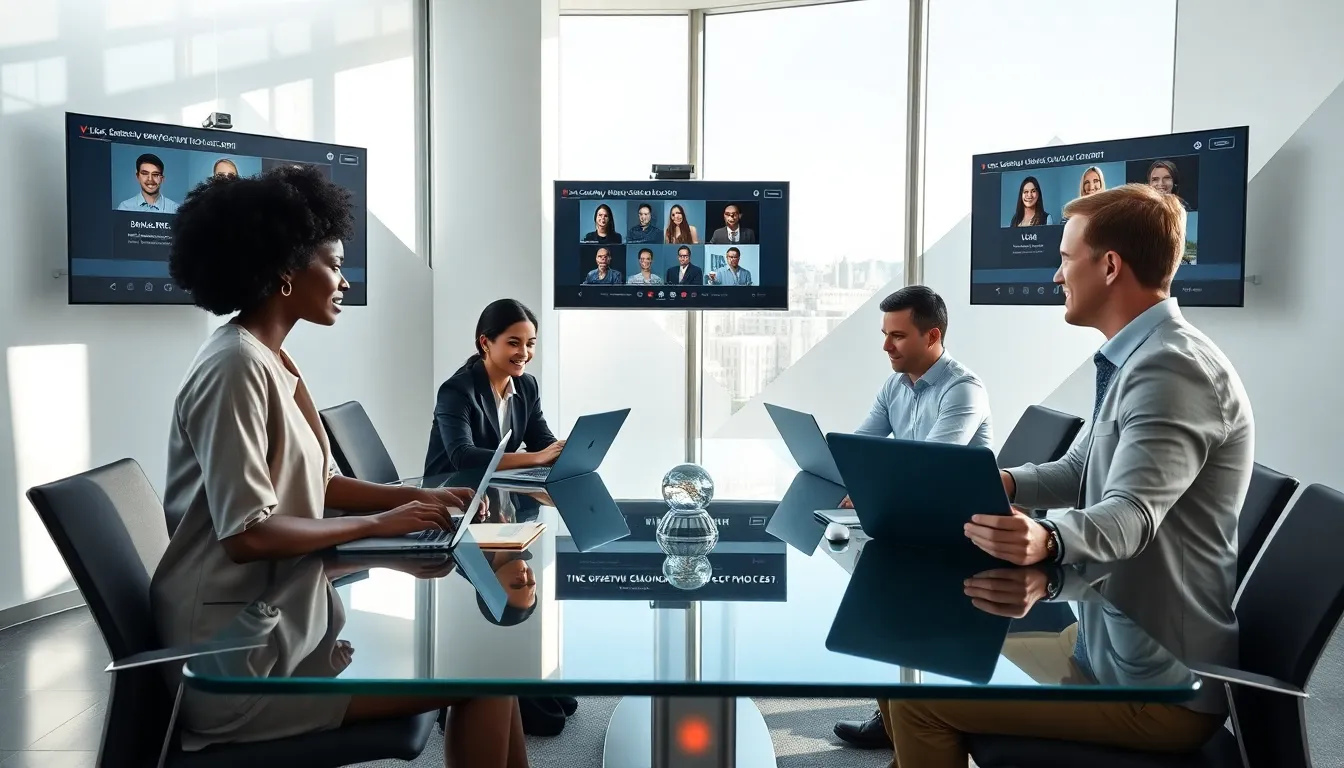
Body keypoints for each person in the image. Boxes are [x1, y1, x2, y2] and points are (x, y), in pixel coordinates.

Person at [151, 166, 528, 768]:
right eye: (333, 263)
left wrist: (422, 505)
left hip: (286, 625)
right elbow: (249, 534)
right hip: (235, 663)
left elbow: (322, 483)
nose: (344, 279)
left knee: (494, 659)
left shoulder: (274, 359)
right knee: (483, 672)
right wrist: (381, 526)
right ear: (283, 271)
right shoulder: (233, 368)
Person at [878, 183, 1253, 767]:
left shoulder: (1173, 370)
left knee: (918, 697)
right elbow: (1084, 468)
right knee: (920, 658)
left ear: (1109, 266)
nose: (1056, 275)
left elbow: (1131, 515)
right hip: (1101, 643)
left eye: (1063, 258)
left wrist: (1049, 538)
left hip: (1156, 689)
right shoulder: (1138, 356)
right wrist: (1005, 482)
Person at [830, 284, 993, 749]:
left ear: (932, 336)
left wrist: (869, 487)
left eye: (897, 336)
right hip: (916, 521)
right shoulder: (894, 385)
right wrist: (853, 478)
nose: (886, 346)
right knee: (870, 587)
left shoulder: (964, 390)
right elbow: (863, 445)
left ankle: (903, 716)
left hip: (960, 532)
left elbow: (930, 468)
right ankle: (895, 713)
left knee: (879, 589)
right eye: (885, 334)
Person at [424, 299, 564, 477]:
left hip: (498, 491)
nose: (524, 353)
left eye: (530, 344)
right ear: (485, 343)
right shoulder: (456, 391)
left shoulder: (527, 386)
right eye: (513, 343)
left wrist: (563, 451)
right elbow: (463, 456)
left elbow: (541, 440)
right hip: (450, 495)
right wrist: (537, 458)